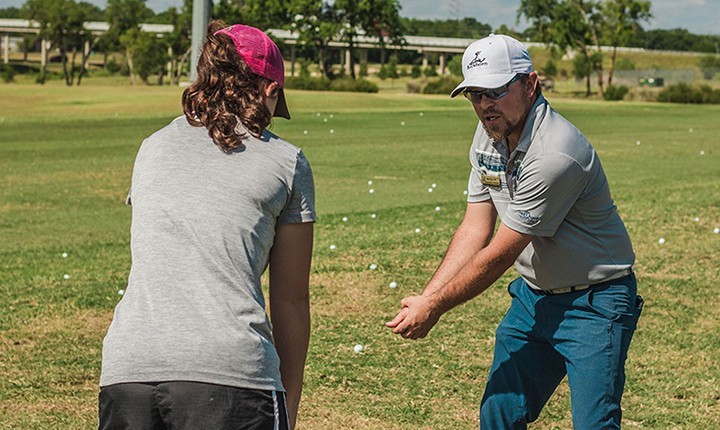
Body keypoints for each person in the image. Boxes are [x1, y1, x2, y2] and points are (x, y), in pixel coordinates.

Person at [386, 34, 642, 429]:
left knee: (594, 424)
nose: (485, 105)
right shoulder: (491, 132)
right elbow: (475, 226)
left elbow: (502, 251)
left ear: (530, 84)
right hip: (532, 299)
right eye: (475, 94)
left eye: (496, 91)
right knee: (499, 416)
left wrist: (435, 307)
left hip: (595, 304)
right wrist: (428, 295)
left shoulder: (556, 152)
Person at [99, 21, 315, 430]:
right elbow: (291, 300)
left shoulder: (150, 148)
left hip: (127, 370)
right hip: (231, 375)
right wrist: (288, 402)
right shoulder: (288, 163)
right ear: (270, 89)